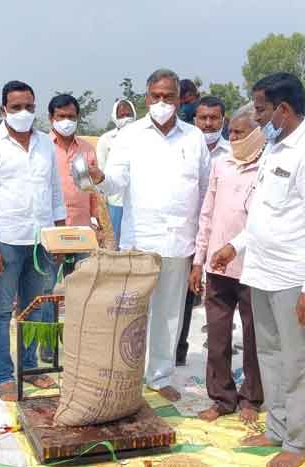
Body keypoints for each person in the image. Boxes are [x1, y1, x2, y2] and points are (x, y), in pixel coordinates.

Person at [211, 72, 305, 467]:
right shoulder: (274, 147)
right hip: (260, 271)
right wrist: (236, 246)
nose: (259, 117)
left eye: (263, 109)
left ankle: (298, 443)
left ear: (283, 109)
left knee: (299, 360)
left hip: (293, 277)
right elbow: (266, 214)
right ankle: (278, 430)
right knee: (270, 355)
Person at [88, 68, 210, 402]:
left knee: (170, 313)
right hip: (140, 240)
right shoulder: (130, 137)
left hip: (179, 241)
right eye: (155, 96)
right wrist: (99, 177)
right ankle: (127, 373)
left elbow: (204, 189)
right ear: (146, 98)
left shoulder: (193, 137)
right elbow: (115, 184)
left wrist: (201, 243)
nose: (161, 103)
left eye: (168, 96)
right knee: (132, 311)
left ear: (179, 98)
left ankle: (159, 376)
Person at [0, 81, 66, 401]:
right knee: (1, 310)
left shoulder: (45, 144)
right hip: (8, 241)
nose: (23, 113)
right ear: (3, 110)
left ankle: (32, 368)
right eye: (16, 107)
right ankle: (3, 375)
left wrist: (60, 238)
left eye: (29, 106)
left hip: (41, 241)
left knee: (36, 307)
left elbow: (55, 194)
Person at [191, 102, 264, 423]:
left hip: (254, 266)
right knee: (218, 336)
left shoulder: (268, 164)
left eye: (240, 132)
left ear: (257, 133)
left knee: (253, 336)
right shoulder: (221, 164)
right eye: (230, 131)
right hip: (217, 267)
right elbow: (206, 214)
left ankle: (252, 397)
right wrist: (198, 260)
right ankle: (221, 397)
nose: (233, 137)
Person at [176, 95, 232, 366]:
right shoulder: (181, 149)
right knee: (186, 293)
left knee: (222, 296)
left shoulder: (233, 153)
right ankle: (178, 350)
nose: (208, 124)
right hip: (188, 233)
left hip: (222, 235)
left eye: (214, 118)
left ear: (223, 120)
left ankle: (221, 351)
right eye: (203, 118)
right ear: (194, 120)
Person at [48, 93, 101, 275]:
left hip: (82, 226)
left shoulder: (87, 148)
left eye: (71, 117)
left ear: (77, 118)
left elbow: (93, 189)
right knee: (49, 286)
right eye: (61, 117)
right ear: (51, 118)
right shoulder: (43, 147)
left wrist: (96, 220)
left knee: (81, 284)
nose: (66, 121)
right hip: (51, 228)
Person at [96, 99, 136, 246]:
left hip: (136, 203)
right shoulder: (106, 140)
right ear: (114, 117)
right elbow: (101, 173)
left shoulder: (144, 137)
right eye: (121, 115)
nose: (126, 118)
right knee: (114, 244)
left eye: (129, 114)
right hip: (115, 202)